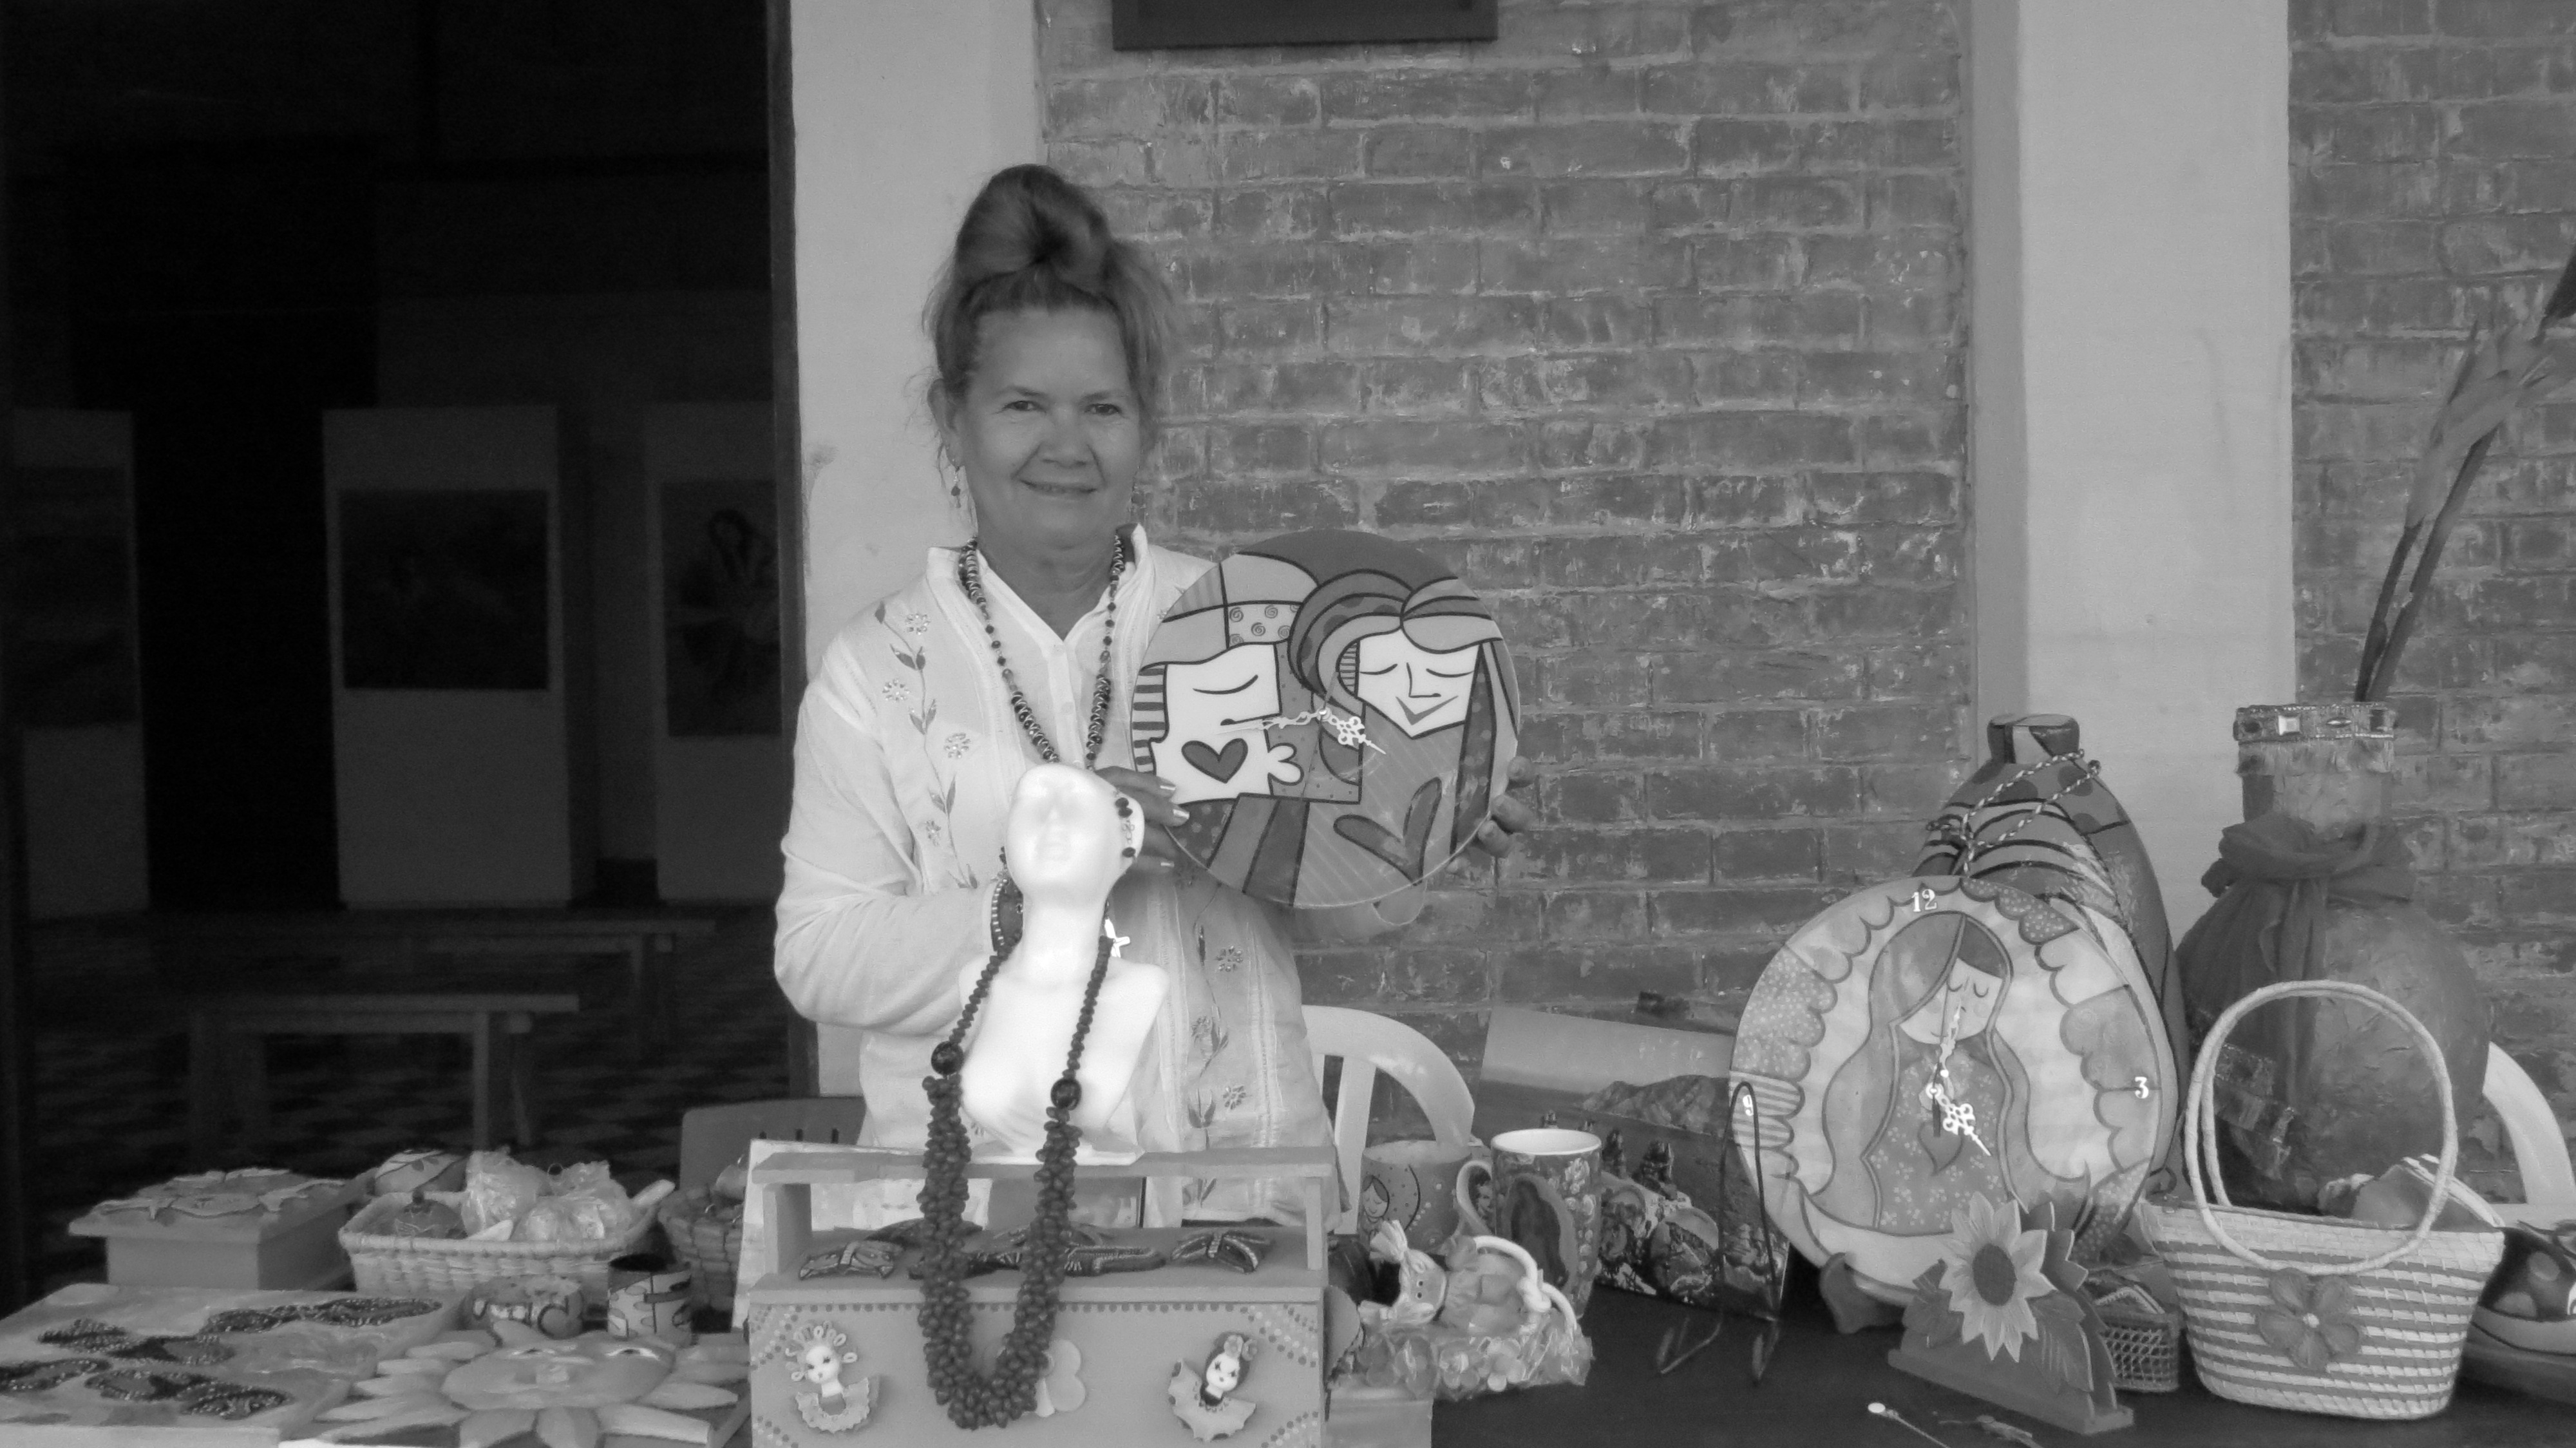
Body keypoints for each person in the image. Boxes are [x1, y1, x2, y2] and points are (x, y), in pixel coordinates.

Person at [773, 164, 1535, 1227]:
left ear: (1146, 427)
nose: (1067, 446)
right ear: (953, 419)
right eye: (1023, 406)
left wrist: (1427, 820)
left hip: (1237, 1205)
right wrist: (1045, 886)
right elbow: (818, 958)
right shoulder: (878, 671)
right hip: (969, 1223)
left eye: (1103, 408)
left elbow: (1340, 899)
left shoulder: (1247, 624)